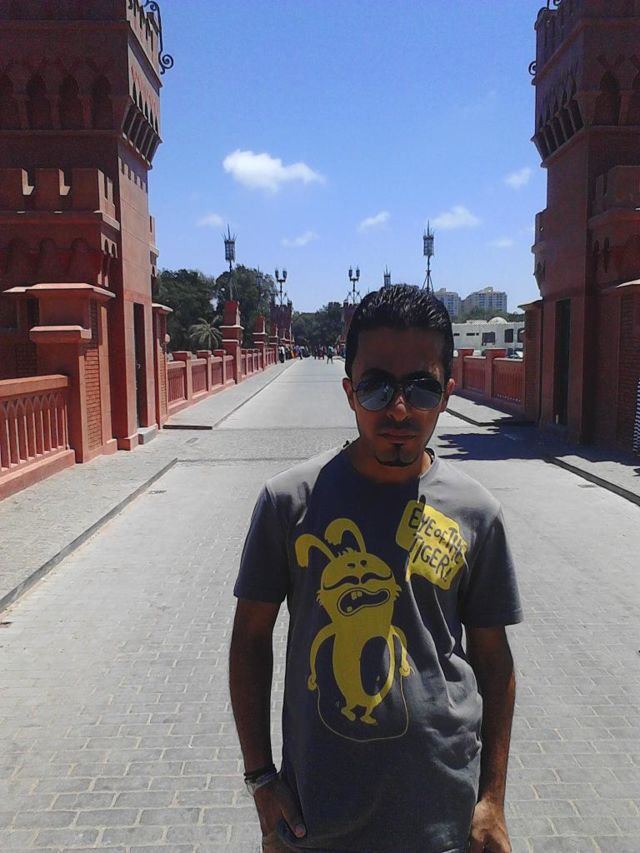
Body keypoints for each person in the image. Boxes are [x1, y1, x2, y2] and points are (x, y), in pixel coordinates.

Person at [230, 285, 522, 853]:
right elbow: (249, 640)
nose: (398, 409)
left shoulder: (476, 513)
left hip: (443, 814)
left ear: (447, 394)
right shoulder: (289, 502)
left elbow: (494, 660)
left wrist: (492, 797)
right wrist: (261, 778)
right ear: (349, 392)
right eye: (376, 386)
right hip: (316, 816)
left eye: (421, 387)